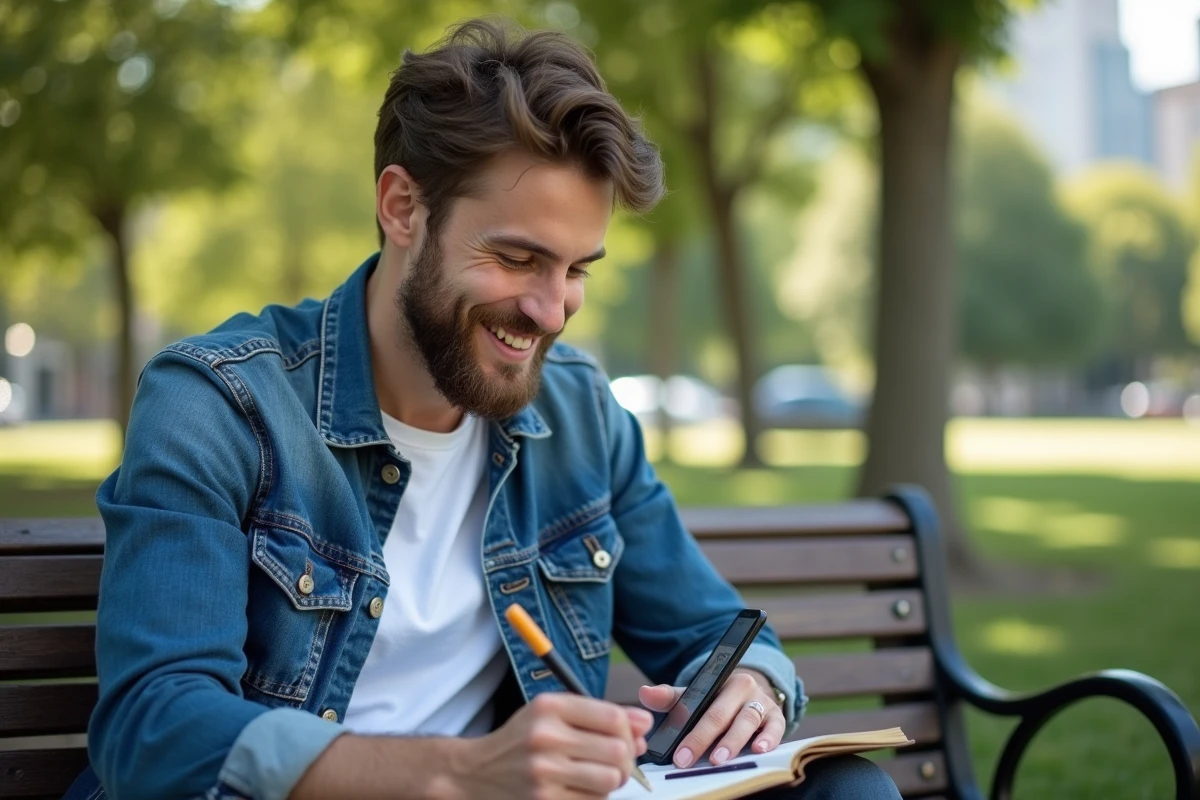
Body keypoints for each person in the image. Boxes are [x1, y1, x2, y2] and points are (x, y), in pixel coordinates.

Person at [65, 18, 901, 800]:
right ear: (403, 207)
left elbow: (715, 633)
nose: (551, 310)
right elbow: (156, 726)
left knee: (848, 789)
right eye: (517, 258)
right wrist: (463, 773)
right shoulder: (220, 404)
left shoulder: (579, 414)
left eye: (577, 269)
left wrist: (753, 684)